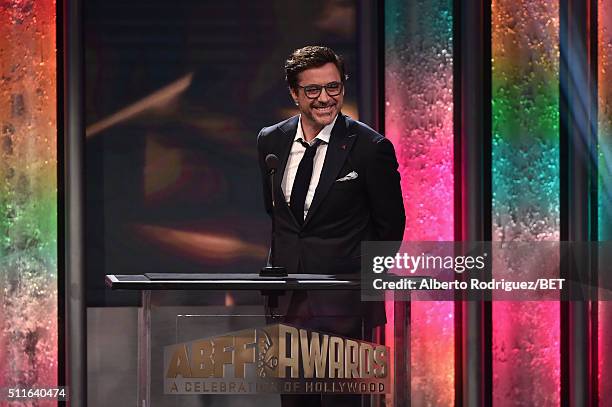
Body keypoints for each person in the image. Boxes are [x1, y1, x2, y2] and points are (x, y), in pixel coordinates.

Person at [256, 46, 405, 406]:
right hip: (288, 303)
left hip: (346, 307)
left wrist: (360, 283)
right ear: (294, 93)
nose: (325, 99)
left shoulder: (370, 147)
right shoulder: (270, 140)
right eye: (313, 90)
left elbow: (391, 227)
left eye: (334, 88)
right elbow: (278, 215)